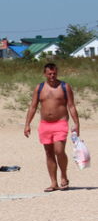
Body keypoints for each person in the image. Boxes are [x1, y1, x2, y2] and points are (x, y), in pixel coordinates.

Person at [24, 62, 80, 192]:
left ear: (57, 73)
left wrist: (77, 123)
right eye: (49, 74)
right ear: (44, 74)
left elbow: (71, 106)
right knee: (49, 153)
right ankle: (54, 183)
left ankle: (64, 177)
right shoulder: (39, 88)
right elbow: (33, 106)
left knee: (59, 150)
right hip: (45, 124)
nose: (52, 76)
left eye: (54, 73)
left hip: (60, 123)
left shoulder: (65, 86)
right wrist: (27, 124)